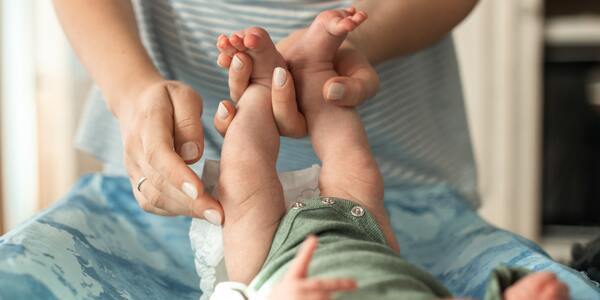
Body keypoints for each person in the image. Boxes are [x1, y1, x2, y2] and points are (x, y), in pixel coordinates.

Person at [209, 9, 570, 299]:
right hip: (367, 240)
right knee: (352, 162)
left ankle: (259, 86)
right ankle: (316, 68)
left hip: (268, 265)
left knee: (245, 178)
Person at [53, 0, 481, 227]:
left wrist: (356, 42)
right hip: (176, 168)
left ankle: (273, 86)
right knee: (279, 184)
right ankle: (277, 85)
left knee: (254, 198)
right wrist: (131, 90)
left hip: (403, 181)